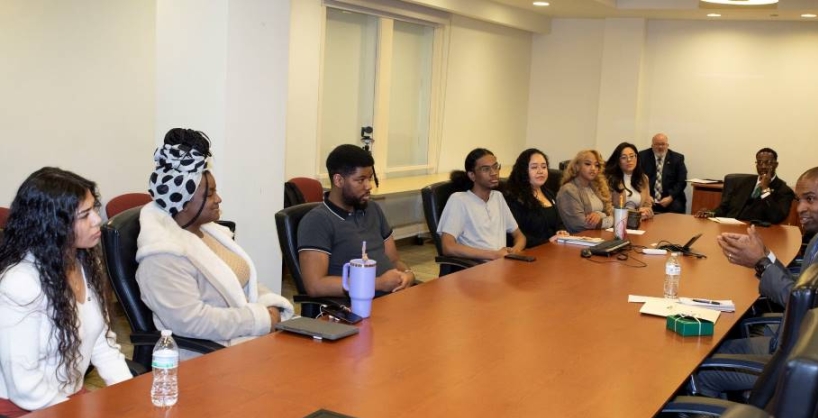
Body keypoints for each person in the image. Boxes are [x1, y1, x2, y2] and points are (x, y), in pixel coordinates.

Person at [699, 165, 818, 415]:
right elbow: (804, 288)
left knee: (702, 373)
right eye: (799, 200)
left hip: (817, 361)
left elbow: (809, 303)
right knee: (712, 351)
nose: (799, 209)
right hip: (799, 342)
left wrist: (761, 263)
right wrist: (765, 254)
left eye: (810, 199)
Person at [136, 128, 293, 349]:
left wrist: (271, 307)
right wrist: (260, 319)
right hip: (208, 356)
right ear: (182, 200)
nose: (218, 199)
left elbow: (246, 282)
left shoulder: (212, 233)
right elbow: (191, 321)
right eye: (209, 195)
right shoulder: (162, 257)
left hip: (247, 340)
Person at [0, 168, 132, 418]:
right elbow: (25, 387)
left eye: (94, 209)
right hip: (21, 414)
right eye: (85, 215)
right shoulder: (20, 283)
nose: (97, 220)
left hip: (65, 401)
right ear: (53, 225)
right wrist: (78, 416)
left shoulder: (83, 263)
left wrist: (132, 395)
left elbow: (102, 346)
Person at [297, 144, 416, 298]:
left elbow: (394, 260)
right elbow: (315, 285)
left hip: (393, 297)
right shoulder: (316, 221)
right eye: (360, 180)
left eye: (370, 178)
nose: (369, 186)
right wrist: (377, 283)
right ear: (339, 180)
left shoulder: (373, 209)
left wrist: (408, 275)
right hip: (358, 306)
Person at [437, 148, 527, 260]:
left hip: (502, 265)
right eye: (486, 169)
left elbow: (519, 236)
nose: (494, 173)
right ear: (472, 175)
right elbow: (448, 247)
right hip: (475, 269)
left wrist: (515, 250)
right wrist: (493, 255)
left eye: (495, 167)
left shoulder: (498, 197)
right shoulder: (459, 200)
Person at [696, 147, 795, 224]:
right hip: (728, 227)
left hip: (757, 233)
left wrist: (765, 189)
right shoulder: (742, 183)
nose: (763, 166)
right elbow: (724, 208)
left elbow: (777, 218)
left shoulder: (784, 190)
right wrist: (710, 213)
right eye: (759, 163)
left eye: (768, 163)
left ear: (776, 165)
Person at [503, 148, 568, 248]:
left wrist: (561, 230)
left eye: (544, 167)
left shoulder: (549, 193)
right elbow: (514, 235)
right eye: (534, 167)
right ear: (523, 171)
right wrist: (546, 242)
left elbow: (559, 222)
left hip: (553, 249)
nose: (540, 171)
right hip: (531, 252)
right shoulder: (514, 198)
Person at [556, 149, 615, 233]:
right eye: (588, 164)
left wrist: (600, 215)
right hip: (579, 240)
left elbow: (612, 212)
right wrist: (610, 220)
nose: (593, 168)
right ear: (577, 166)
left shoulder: (596, 186)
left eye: (597, 165)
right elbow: (581, 224)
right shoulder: (568, 190)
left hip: (599, 236)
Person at [639, 133, 688, 214]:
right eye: (657, 144)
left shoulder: (677, 158)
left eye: (663, 144)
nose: (660, 147)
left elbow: (682, 181)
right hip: (649, 196)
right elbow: (638, 178)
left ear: (667, 145)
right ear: (652, 145)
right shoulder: (642, 156)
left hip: (671, 196)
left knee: (677, 208)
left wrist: (670, 197)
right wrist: (646, 195)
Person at [605, 142, 654, 220]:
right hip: (616, 223)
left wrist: (646, 212)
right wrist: (631, 214)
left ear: (637, 158)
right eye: (624, 157)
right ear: (618, 160)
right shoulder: (609, 178)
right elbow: (606, 207)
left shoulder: (643, 178)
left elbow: (647, 205)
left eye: (632, 156)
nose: (629, 160)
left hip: (637, 223)